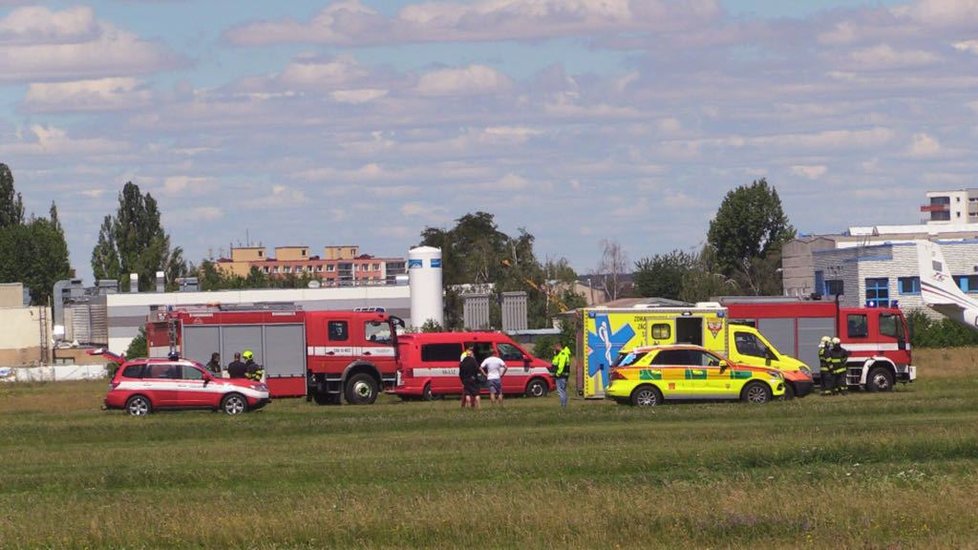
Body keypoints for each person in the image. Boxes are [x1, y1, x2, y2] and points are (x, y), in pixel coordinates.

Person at [551, 343, 571, 408]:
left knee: (561, 391)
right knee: (563, 391)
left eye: (555, 348)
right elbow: (555, 362)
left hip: (561, 376)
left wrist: (557, 374)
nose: (554, 350)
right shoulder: (561, 354)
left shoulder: (562, 354)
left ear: (558, 347)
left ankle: (563, 406)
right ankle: (564, 405)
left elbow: (561, 366)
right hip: (563, 376)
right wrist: (555, 355)